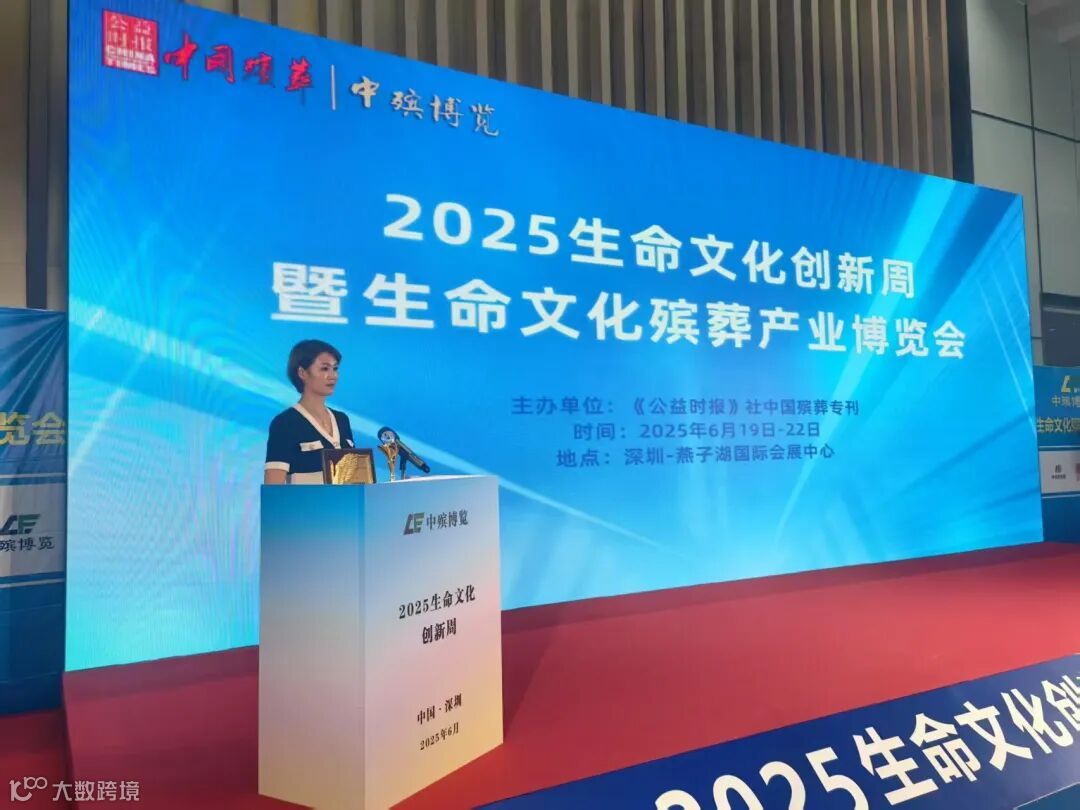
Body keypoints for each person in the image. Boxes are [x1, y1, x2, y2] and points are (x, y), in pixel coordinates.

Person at [264, 339, 356, 484]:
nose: (333, 375)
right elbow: (273, 487)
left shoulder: (342, 420)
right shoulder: (285, 423)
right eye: (324, 369)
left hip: (346, 499)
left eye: (335, 368)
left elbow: (353, 479)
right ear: (302, 373)